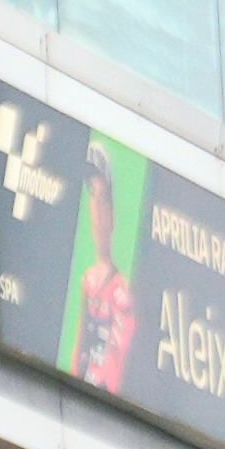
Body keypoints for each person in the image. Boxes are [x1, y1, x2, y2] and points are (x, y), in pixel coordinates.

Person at [78, 141, 138, 393]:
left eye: (102, 199)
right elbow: (78, 352)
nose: (97, 211)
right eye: (92, 196)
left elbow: (115, 365)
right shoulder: (89, 281)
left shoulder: (121, 293)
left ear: (112, 213)